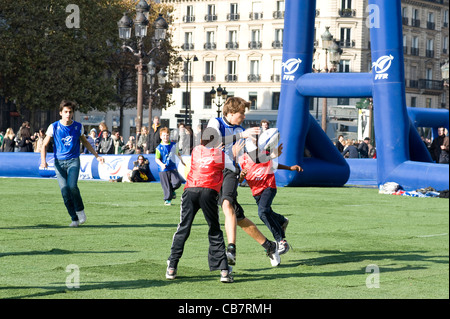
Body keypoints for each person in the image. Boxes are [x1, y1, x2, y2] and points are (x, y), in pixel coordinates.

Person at [207, 97, 280, 267]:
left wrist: (271, 152)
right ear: (231, 113)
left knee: (227, 205)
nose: (244, 117)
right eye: (241, 113)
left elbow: (256, 157)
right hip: (211, 173)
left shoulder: (242, 130)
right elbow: (211, 142)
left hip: (229, 172)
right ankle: (269, 246)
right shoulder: (216, 122)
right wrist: (241, 135)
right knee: (238, 218)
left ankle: (231, 249)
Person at [166, 127, 237, 283]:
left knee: (183, 227)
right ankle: (224, 272)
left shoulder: (196, 150)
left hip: (191, 189)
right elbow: (234, 169)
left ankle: (172, 265)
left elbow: (205, 154)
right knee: (214, 229)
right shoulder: (221, 154)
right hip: (209, 191)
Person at [40, 100, 104, 227]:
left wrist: (97, 156)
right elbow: (44, 145)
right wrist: (43, 161)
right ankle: (74, 218)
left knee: (72, 186)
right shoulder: (54, 127)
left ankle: (80, 210)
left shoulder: (78, 127)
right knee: (64, 191)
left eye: (70, 112)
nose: (68, 114)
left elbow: (85, 142)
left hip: (73, 160)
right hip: (59, 163)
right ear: (60, 113)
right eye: (65, 112)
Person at [239, 139, 303, 255]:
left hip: (269, 187)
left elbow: (273, 164)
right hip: (256, 192)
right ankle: (281, 220)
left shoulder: (265, 153)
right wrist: (241, 176)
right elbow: (240, 178)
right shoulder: (242, 159)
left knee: (262, 212)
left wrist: (289, 168)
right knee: (267, 212)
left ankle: (281, 240)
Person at [155, 127, 186, 206]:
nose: (166, 137)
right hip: (163, 170)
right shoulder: (159, 148)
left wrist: (182, 161)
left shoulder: (173, 145)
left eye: (167, 135)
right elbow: (157, 159)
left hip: (172, 167)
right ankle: (167, 200)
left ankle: (172, 191)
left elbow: (177, 153)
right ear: (161, 136)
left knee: (177, 183)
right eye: (164, 135)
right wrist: (162, 164)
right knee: (166, 185)